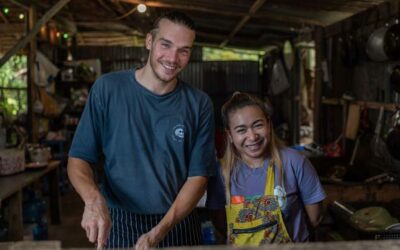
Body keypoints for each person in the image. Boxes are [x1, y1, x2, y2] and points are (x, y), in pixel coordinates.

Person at [67, 11, 215, 249]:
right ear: (149, 41)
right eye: (165, 45)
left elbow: (198, 178)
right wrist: (93, 200)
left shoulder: (199, 104)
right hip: (119, 221)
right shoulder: (108, 89)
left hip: (177, 221)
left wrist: (160, 231)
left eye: (183, 50)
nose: (172, 58)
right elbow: (79, 159)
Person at [206, 92, 326, 246]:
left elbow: (315, 218)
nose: (252, 136)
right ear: (230, 135)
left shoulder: (295, 162)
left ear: (268, 124)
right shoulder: (221, 173)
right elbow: (221, 224)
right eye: (241, 130)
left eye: (258, 125)